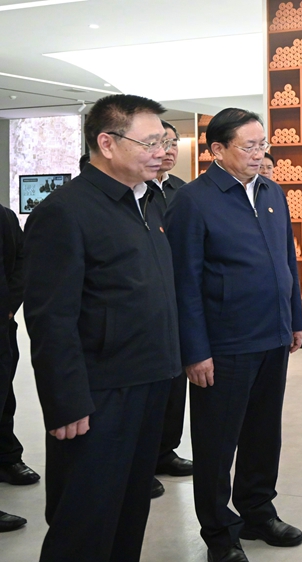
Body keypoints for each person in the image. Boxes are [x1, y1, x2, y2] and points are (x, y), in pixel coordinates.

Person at [23, 94, 181, 562]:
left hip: (150, 379)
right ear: (107, 143)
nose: (161, 152)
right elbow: (51, 318)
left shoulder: (149, 202)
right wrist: (66, 402)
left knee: (130, 508)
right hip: (99, 393)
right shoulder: (65, 211)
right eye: (150, 143)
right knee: (85, 517)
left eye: (164, 142)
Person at [166, 108, 302, 562]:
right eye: (249, 145)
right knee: (216, 444)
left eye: (263, 144)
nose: (259, 153)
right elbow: (184, 282)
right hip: (224, 344)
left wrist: (294, 318)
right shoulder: (193, 201)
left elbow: (287, 260)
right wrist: (195, 350)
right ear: (217, 150)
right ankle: (220, 533)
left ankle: (258, 512)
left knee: (264, 434)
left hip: (272, 335)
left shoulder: (271, 191)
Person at [146, 120, 192, 499]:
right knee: (150, 387)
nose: (169, 149)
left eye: (174, 142)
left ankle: (165, 451)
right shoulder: (136, 192)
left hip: (180, 298)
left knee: (176, 381)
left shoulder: (182, 191)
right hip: (147, 303)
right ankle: (141, 461)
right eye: (162, 142)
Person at [0, 205, 27, 533]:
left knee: (4, 397)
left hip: (2, 327)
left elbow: (22, 261)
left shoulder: (4, 218)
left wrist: (9, 307)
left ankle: (7, 458)